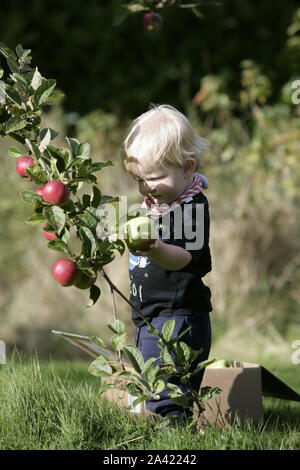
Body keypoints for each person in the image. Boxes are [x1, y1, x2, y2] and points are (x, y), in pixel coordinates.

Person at [122, 104, 212, 420]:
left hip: (178, 320)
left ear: (188, 168)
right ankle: (163, 425)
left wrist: (155, 247)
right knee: (154, 385)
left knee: (169, 394)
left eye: (156, 177)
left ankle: (172, 439)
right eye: (140, 180)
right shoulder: (159, 203)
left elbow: (184, 257)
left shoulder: (193, 209)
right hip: (151, 318)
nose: (147, 188)